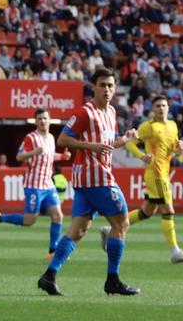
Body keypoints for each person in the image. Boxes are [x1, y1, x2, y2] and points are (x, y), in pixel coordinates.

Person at [37, 67, 141, 297]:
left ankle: (49, 276)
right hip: (96, 176)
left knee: (79, 229)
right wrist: (91, 146)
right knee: (121, 224)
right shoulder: (86, 113)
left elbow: (109, 143)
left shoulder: (111, 112)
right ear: (93, 87)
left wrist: (126, 138)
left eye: (110, 85)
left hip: (88, 180)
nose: (107, 89)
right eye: (102, 85)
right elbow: (63, 139)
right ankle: (112, 280)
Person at [101, 96, 183, 264]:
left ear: (168, 108)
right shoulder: (148, 126)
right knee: (168, 211)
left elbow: (171, 148)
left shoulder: (173, 126)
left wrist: (179, 148)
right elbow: (130, 143)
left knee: (147, 212)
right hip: (156, 175)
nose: (161, 108)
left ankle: (110, 229)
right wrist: (142, 155)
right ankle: (175, 251)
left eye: (164, 105)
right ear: (152, 109)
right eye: (158, 106)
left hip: (164, 173)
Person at [0, 109, 71, 259]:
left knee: (58, 216)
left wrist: (62, 156)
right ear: (36, 121)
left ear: (50, 120)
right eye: (39, 119)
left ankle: (52, 251)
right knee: (29, 220)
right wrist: (33, 153)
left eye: (45, 118)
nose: (42, 121)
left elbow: (49, 156)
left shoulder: (50, 138)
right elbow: (19, 156)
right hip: (34, 185)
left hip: (48, 185)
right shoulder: (31, 138)